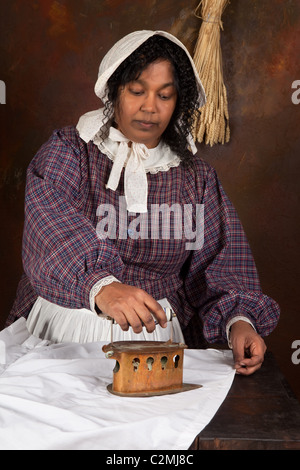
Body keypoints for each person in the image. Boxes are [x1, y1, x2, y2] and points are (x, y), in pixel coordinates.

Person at [7, 30, 280, 375]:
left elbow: (220, 262)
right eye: (137, 91)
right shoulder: (71, 151)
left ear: (178, 102)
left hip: (157, 342)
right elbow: (51, 226)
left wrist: (239, 321)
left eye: (164, 95)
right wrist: (100, 286)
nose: (150, 107)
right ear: (113, 90)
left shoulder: (196, 178)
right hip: (67, 329)